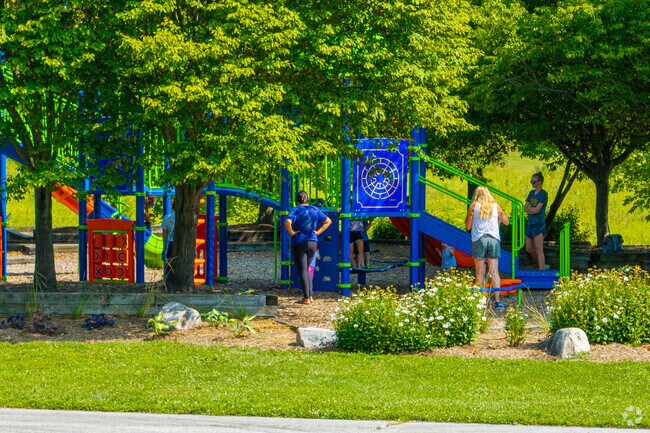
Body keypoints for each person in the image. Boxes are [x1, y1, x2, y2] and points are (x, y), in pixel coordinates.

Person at [465, 186, 509, 310]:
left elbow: (468, 226)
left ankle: (480, 300)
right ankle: (498, 301)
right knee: (494, 271)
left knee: (480, 272)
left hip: (479, 239)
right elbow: (506, 221)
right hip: (494, 239)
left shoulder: (474, 207)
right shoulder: (495, 206)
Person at [284, 191, 332, 304]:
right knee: (309, 269)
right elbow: (328, 221)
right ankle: (310, 296)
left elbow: (287, 222)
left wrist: (292, 233)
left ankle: (306, 298)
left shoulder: (296, 210)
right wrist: (318, 232)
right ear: (307, 199)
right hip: (313, 242)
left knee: (303, 271)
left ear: (297, 200)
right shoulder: (314, 209)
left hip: (300, 241)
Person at [524, 172, 548, 270]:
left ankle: (542, 270)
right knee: (528, 248)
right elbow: (525, 208)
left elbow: (537, 210)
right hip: (530, 223)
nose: (532, 183)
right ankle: (541, 263)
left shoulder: (543, 194)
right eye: (531, 181)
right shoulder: (531, 193)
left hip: (538, 224)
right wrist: (531, 210)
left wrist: (531, 210)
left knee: (538, 248)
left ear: (540, 182)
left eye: (534, 181)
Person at [161, 201, 175, 278]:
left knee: (168, 262)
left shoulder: (167, 218)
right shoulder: (187, 217)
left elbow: (165, 234)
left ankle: (168, 278)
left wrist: (165, 245)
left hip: (170, 242)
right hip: (182, 243)